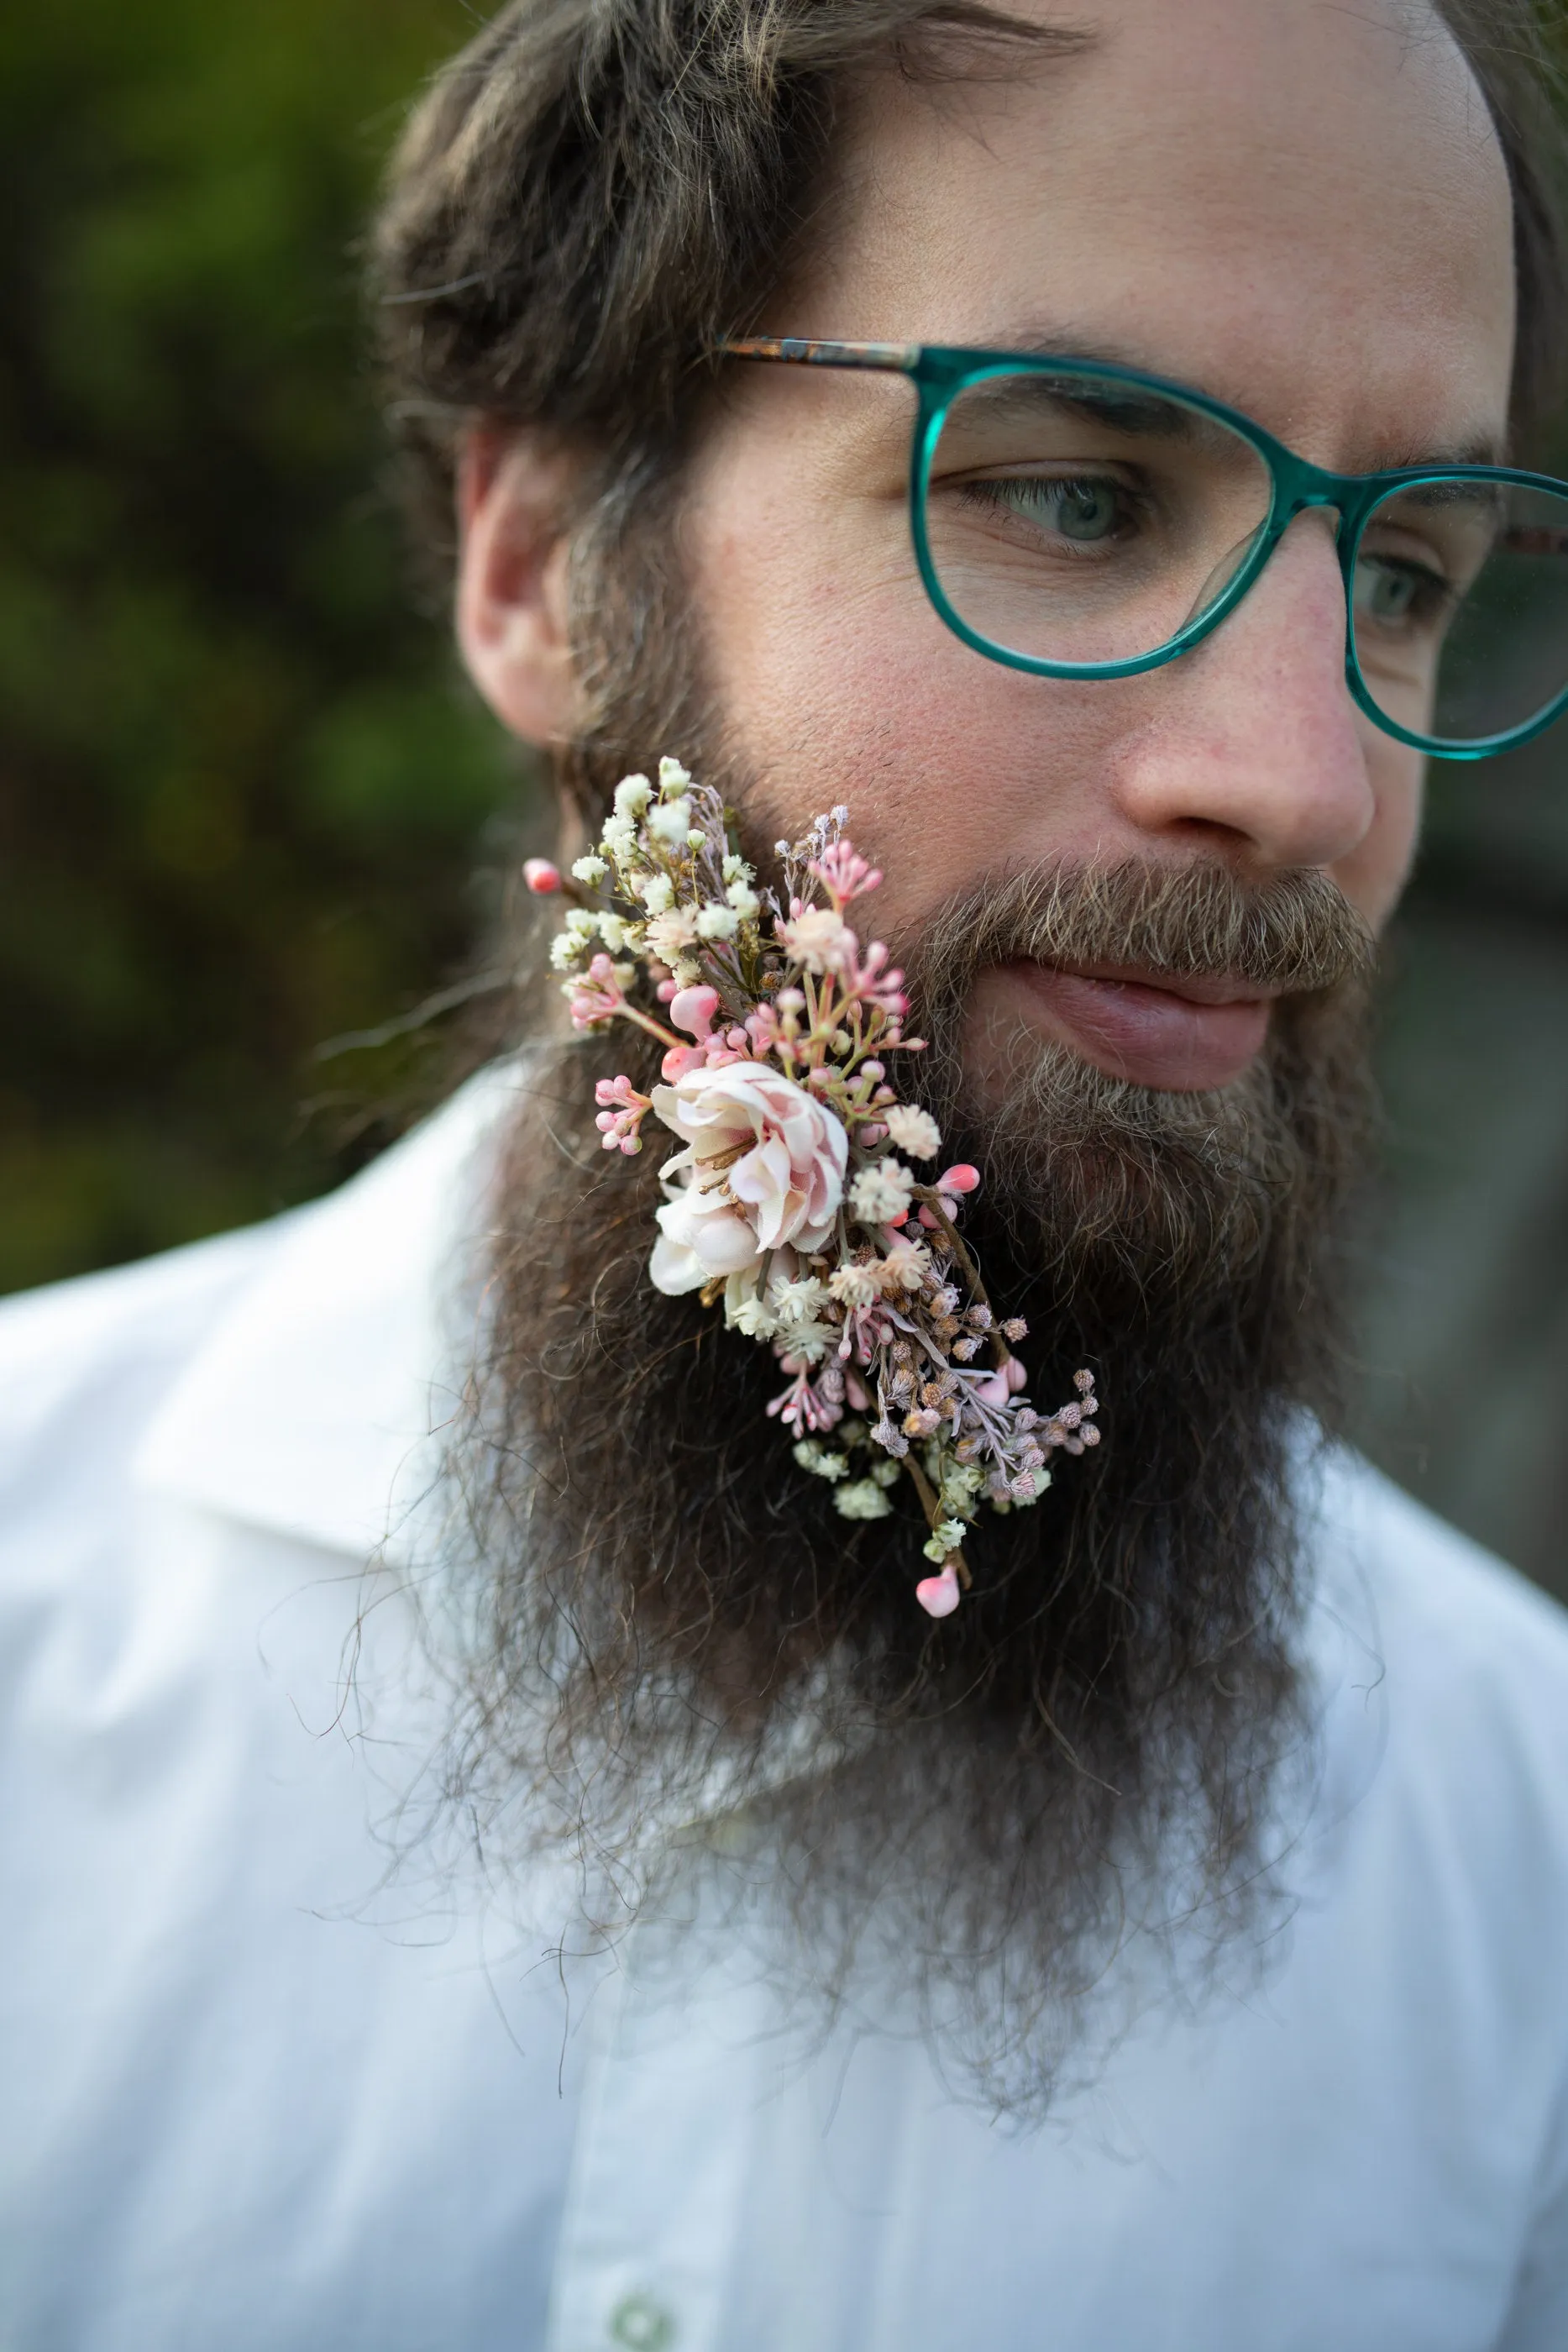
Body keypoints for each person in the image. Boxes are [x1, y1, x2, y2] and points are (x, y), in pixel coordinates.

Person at [5, 0, 1568, 2343]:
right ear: (539, 572)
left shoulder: (1522, 1873)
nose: (1314, 781)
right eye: (1078, 493)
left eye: (1411, 572)